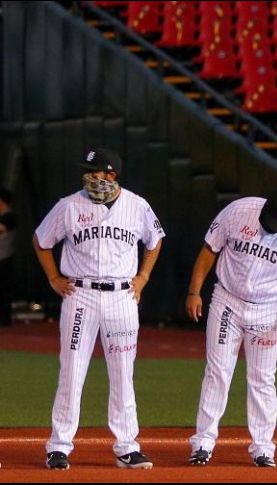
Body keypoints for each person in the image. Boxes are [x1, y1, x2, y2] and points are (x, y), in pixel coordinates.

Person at [33, 148, 164, 470]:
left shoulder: (137, 206)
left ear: (111, 175)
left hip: (122, 297)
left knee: (122, 373)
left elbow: (155, 239)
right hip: (81, 295)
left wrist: (143, 276)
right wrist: (53, 277)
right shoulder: (69, 206)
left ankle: (127, 447)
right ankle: (59, 446)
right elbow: (41, 240)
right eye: (87, 171)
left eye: (95, 171)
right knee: (72, 369)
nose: (89, 176)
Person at [186, 188, 277, 468]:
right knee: (218, 372)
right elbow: (208, 250)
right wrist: (194, 291)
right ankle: (203, 441)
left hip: (268, 310)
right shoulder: (238, 212)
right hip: (228, 300)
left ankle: (263, 448)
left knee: (262, 378)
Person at [0, 188, 17, 327]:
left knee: (4, 290)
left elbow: (2, 228)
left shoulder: (9, 216)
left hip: (4, 258)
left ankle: (5, 319)